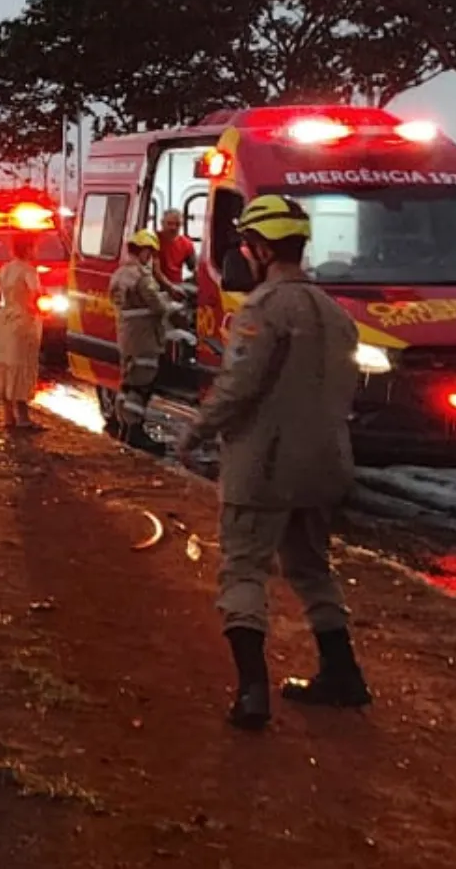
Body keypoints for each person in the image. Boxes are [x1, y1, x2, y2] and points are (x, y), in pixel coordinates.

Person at [175, 195, 369, 731]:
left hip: (264, 466)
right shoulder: (336, 314)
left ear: (261, 249)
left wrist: (196, 431)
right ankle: (343, 674)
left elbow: (238, 387)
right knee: (312, 569)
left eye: (247, 246)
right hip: (325, 465)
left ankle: (252, 691)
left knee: (243, 569)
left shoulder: (263, 310)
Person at [109, 229, 174, 442]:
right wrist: (174, 305)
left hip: (126, 336)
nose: (151, 257)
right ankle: (135, 432)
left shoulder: (119, 274)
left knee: (127, 383)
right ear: (143, 251)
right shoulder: (142, 277)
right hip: (144, 338)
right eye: (150, 253)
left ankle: (123, 425)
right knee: (141, 385)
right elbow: (158, 306)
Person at [0, 231, 44, 430]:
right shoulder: (29, 270)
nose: (37, 251)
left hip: (4, 321)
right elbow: (36, 293)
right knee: (22, 366)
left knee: (5, 364)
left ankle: (8, 416)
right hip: (23, 322)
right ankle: (23, 418)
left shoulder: (6, 269)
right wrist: (36, 307)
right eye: (35, 247)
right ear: (28, 249)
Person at [154, 209, 197, 291]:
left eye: (177, 224)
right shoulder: (152, 240)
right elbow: (155, 271)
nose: (173, 227)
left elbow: (194, 267)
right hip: (156, 284)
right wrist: (171, 287)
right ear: (162, 223)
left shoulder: (187, 244)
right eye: (169, 223)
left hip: (177, 285)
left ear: (182, 225)